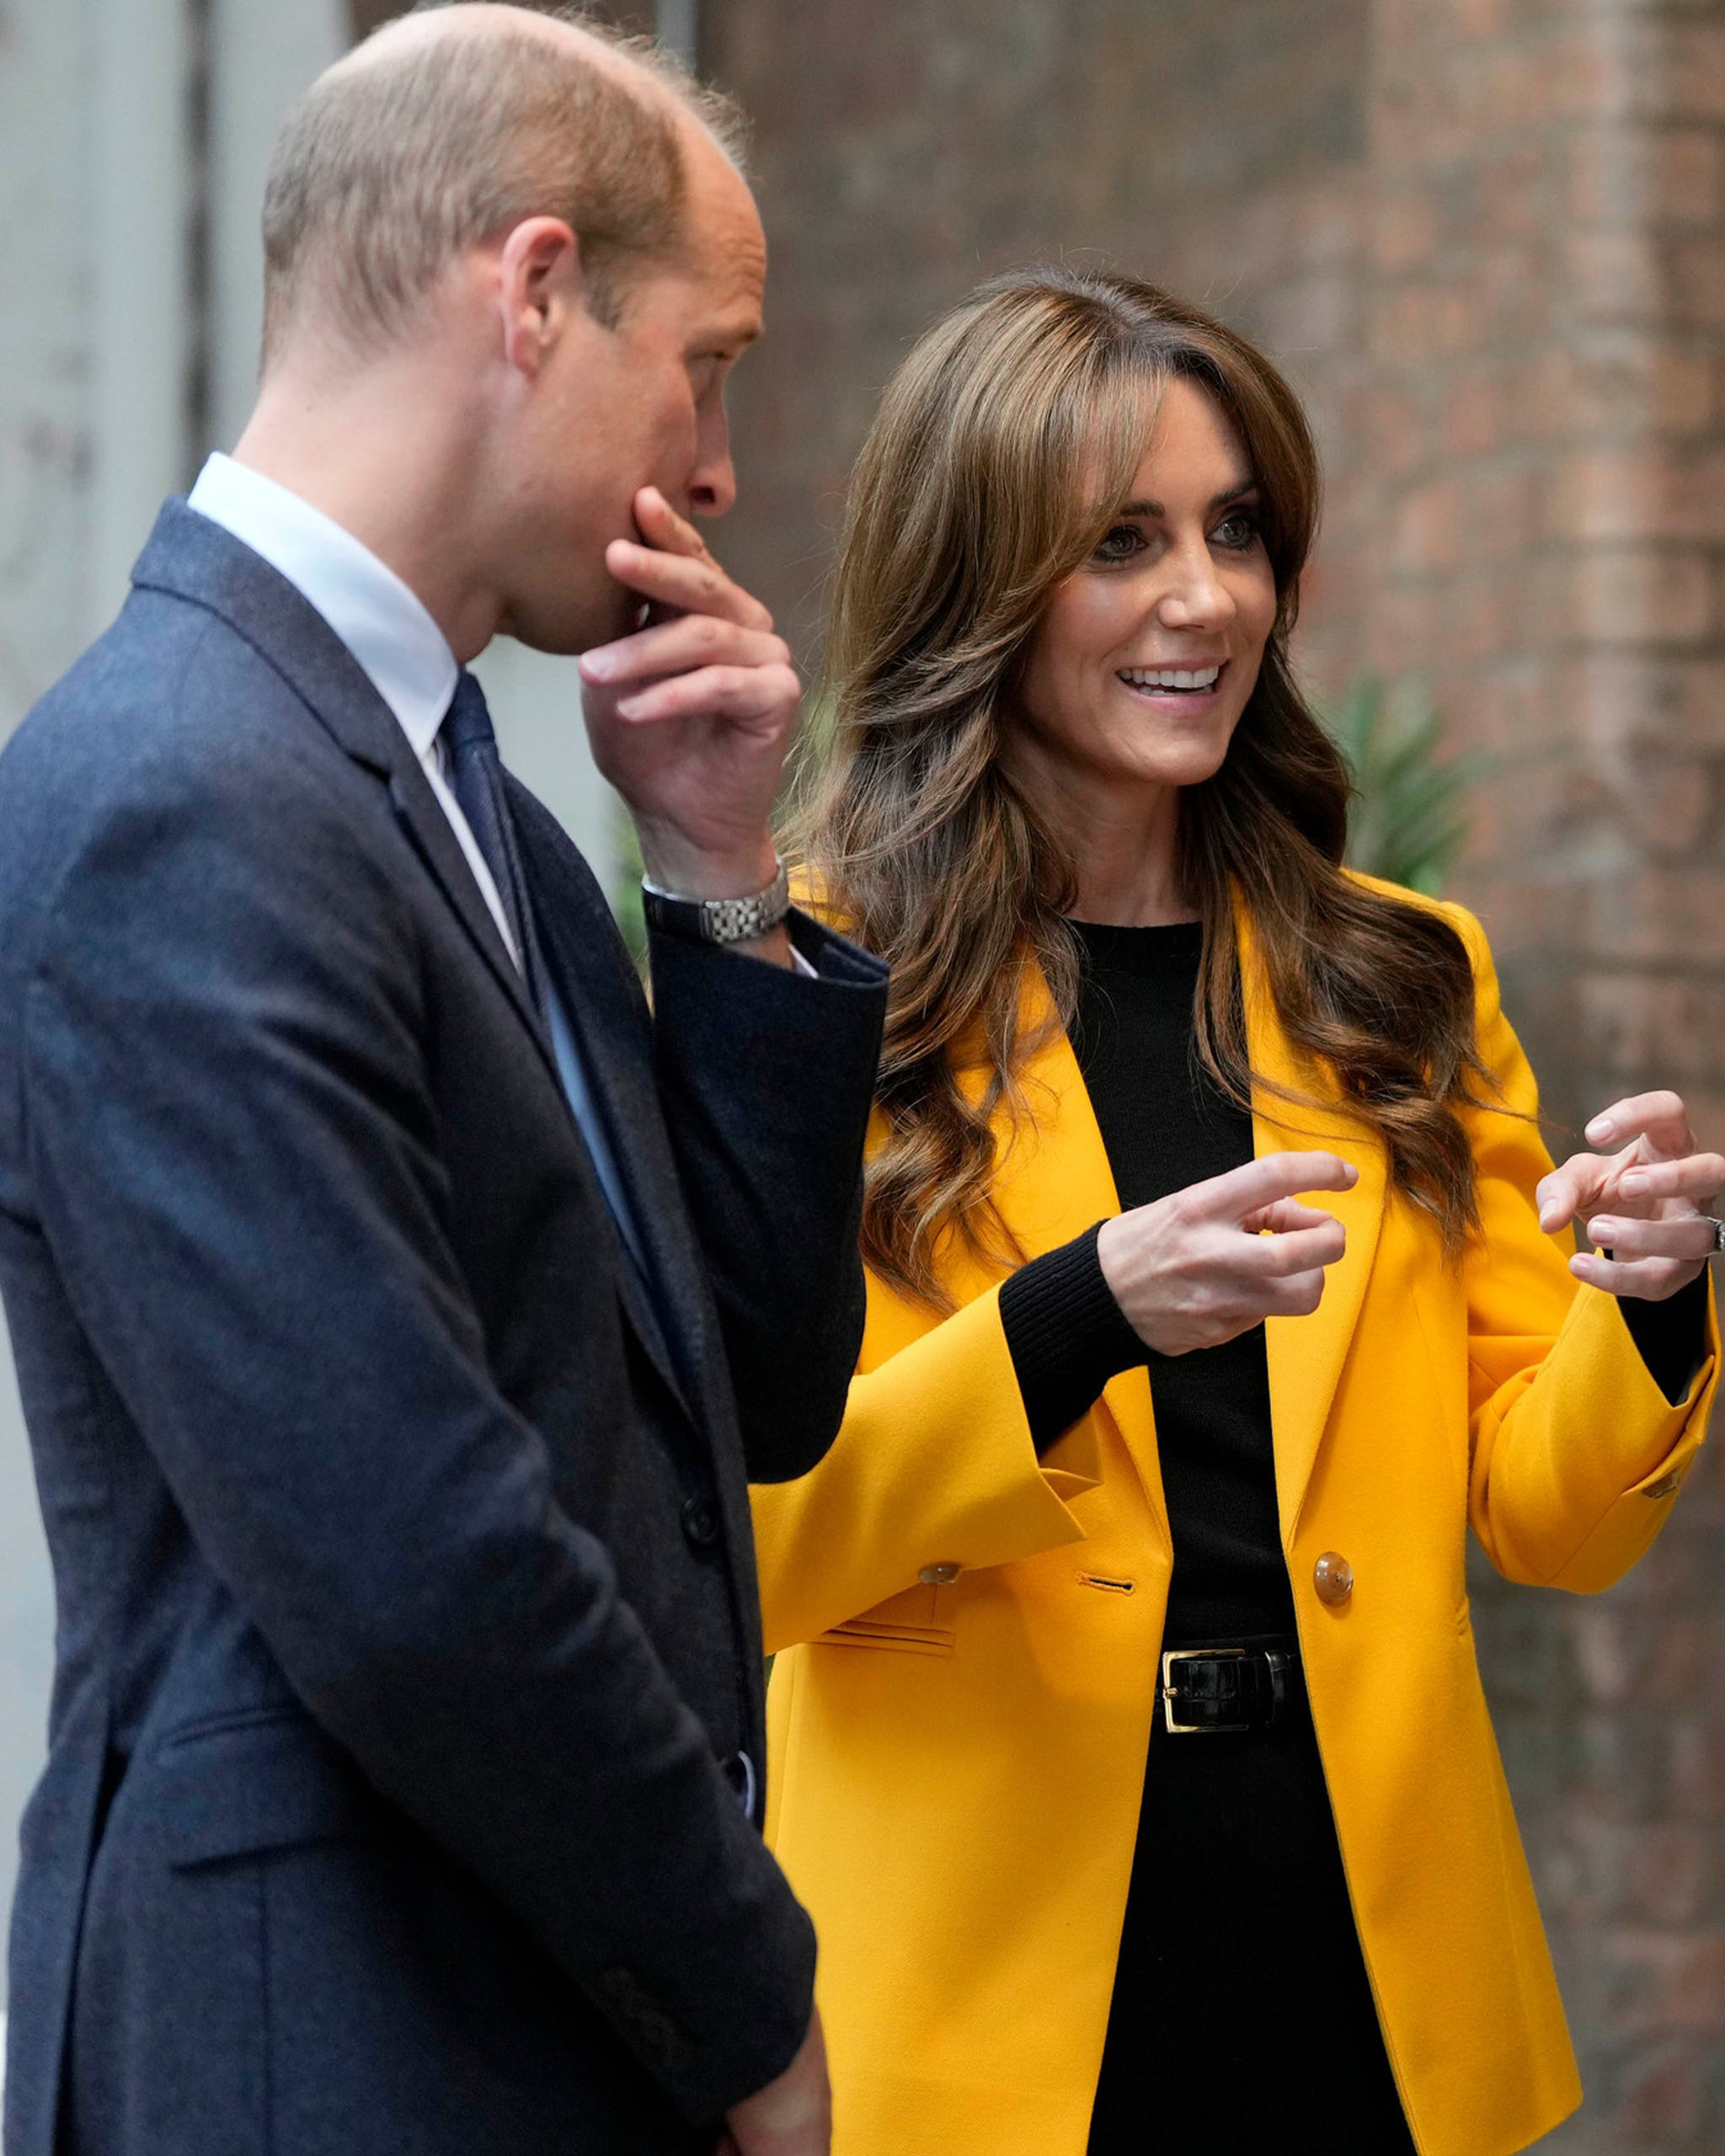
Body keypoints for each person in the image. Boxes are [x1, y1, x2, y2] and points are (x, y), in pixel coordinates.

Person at [0, 8, 885, 2154]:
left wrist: (715, 874)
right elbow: (414, 1554)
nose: (720, 467)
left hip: (500, 2017)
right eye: (707, 365)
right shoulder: (182, 790)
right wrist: (744, 1998)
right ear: (537, 289)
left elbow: (746, 1403)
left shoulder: (475, 801)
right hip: (341, 2045)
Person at [749, 269, 1721, 2156]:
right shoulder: (810, 985)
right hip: (976, 2004)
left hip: (1362, 1972)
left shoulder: (1401, 976)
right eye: (1121, 541)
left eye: (1237, 530)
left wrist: (1651, 1296)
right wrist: (1078, 1315)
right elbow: (757, 1544)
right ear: (978, 580)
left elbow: (1552, 1516)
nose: (1205, 597)